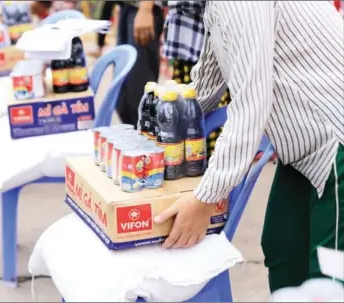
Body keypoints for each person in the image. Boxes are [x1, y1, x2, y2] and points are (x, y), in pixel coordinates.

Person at [155, 1, 344, 292]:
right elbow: (208, 81)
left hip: (334, 144)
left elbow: (250, 106)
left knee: (330, 278)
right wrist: (163, 128)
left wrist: (206, 198)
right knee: (283, 248)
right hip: (305, 150)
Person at [163, 0, 230, 159]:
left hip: (203, 45)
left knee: (211, 119)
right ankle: (190, 160)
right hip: (183, 43)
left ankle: (212, 165)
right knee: (183, 119)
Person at [116, 1, 165, 128]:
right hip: (127, 7)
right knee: (123, 103)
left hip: (142, 10)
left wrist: (146, 7)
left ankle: (148, 145)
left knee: (140, 102)